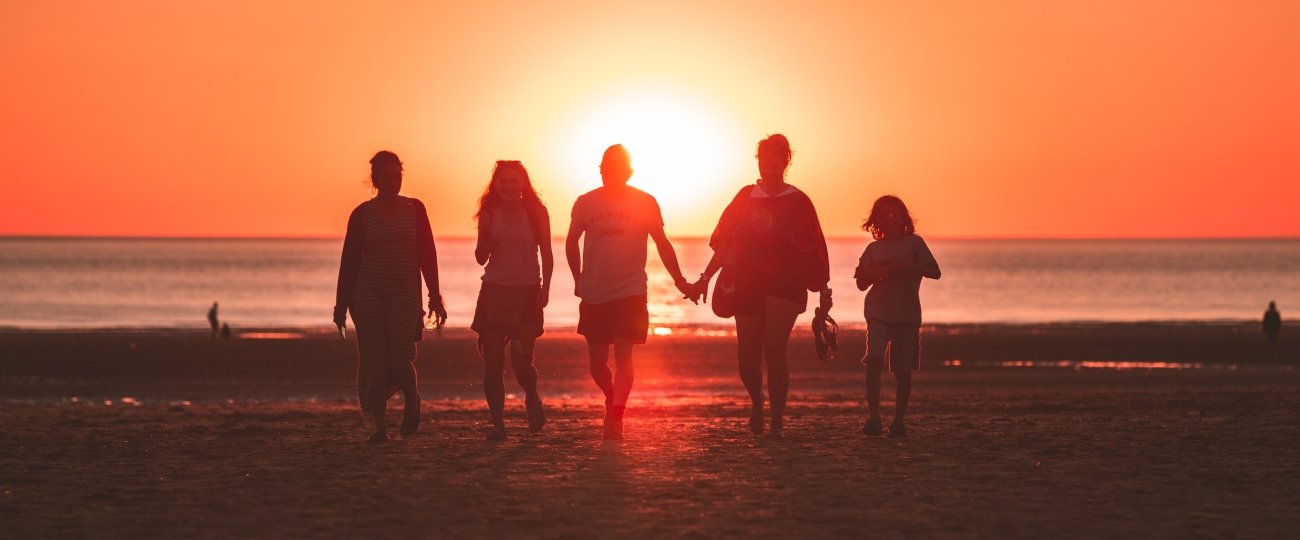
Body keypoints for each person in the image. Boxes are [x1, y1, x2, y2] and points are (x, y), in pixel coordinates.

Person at [689, 134, 831, 439]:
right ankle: (757, 400)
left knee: (775, 350)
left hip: (786, 283)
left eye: (774, 164)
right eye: (764, 163)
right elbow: (725, 244)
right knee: (747, 359)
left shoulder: (799, 201)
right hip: (747, 281)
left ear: (785, 163)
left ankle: (777, 421)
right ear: (758, 163)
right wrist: (705, 278)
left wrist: (823, 289)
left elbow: (814, 247)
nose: (769, 169)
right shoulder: (745, 197)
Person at [566, 144, 692, 440]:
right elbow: (571, 241)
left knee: (624, 358)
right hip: (594, 292)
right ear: (601, 170)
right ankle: (612, 396)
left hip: (630, 291)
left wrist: (679, 279)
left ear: (628, 172)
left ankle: (616, 416)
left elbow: (662, 243)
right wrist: (578, 278)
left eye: (617, 168)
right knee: (597, 365)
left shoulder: (645, 202)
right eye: (606, 167)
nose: (610, 172)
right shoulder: (585, 202)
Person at [334, 150, 446, 443]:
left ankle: (412, 398)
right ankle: (379, 427)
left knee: (400, 356)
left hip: (405, 292)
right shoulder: (362, 214)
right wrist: (340, 306)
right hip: (368, 291)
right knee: (372, 357)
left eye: (398, 176)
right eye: (387, 177)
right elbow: (349, 261)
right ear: (375, 180)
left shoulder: (415, 209)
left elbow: (427, 254)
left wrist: (435, 296)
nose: (393, 182)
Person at [472, 160, 553, 440]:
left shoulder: (536, 212)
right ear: (496, 185)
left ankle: (531, 396)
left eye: (514, 181)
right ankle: (498, 425)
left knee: (520, 362)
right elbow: (480, 257)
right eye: (503, 181)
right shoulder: (489, 212)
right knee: (492, 363)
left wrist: (546, 288)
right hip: (494, 291)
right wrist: (485, 234)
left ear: (523, 185)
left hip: (527, 291)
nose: (508, 186)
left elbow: (547, 253)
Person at [854, 195, 940, 438]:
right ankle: (874, 418)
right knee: (873, 360)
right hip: (877, 312)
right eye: (882, 215)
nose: (888, 219)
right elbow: (861, 283)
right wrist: (877, 272)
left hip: (906, 314)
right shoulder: (873, 249)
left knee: (902, 370)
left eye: (892, 214)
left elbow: (935, 272)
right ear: (875, 220)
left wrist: (905, 266)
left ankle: (899, 421)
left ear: (902, 217)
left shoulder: (914, 244)